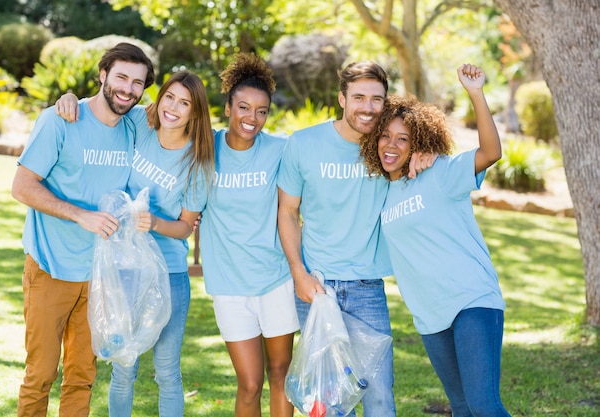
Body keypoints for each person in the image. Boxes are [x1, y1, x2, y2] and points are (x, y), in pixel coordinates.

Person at [56, 70, 214, 416]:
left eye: (185, 103)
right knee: (124, 367)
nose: (173, 107)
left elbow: (187, 226)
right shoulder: (141, 125)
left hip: (169, 274)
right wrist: (70, 99)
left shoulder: (197, 161)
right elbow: (101, 111)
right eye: (169, 97)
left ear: (195, 112)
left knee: (168, 372)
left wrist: (156, 222)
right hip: (124, 270)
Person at [11, 42, 155, 417]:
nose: (127, 89)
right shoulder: (60, 120)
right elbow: (22, 186)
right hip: (51, 267)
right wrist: (80, 215)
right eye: (121, 77)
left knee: (82, 376)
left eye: (137, 83)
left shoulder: (135, 123)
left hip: (100, 276)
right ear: (103, 75)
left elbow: (183, 114)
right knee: (40, 374)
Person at [360, 63, 511, 416]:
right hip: (429, 315)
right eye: (385, 136)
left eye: (403, 139)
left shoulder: (441, 172)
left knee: (483, 404)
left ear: (419, 144)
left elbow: (490, 153)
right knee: (460, 407)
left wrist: (475, 94)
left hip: (471, 300)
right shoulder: (382, 192)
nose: (391, 145)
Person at [277, 60, 402, 417]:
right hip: (316, 289)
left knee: (379, 396)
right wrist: (298, 272)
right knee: (327, 401)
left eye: (376, 99)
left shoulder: (389, 149)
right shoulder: (304, 144)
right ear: (342, 99)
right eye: (359, 97)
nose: (368, 107)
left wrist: (422, 152)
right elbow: (287, 211)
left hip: (367, 289)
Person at [199, 53, 299, 417]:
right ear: (227, 107)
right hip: (228, 284)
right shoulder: (205, 147)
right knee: (249, 383)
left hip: (275, 280)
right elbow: (156, 119)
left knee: (281, 374)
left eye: (261, 111)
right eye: (243, 107)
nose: (251, 118)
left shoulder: (281, 149)